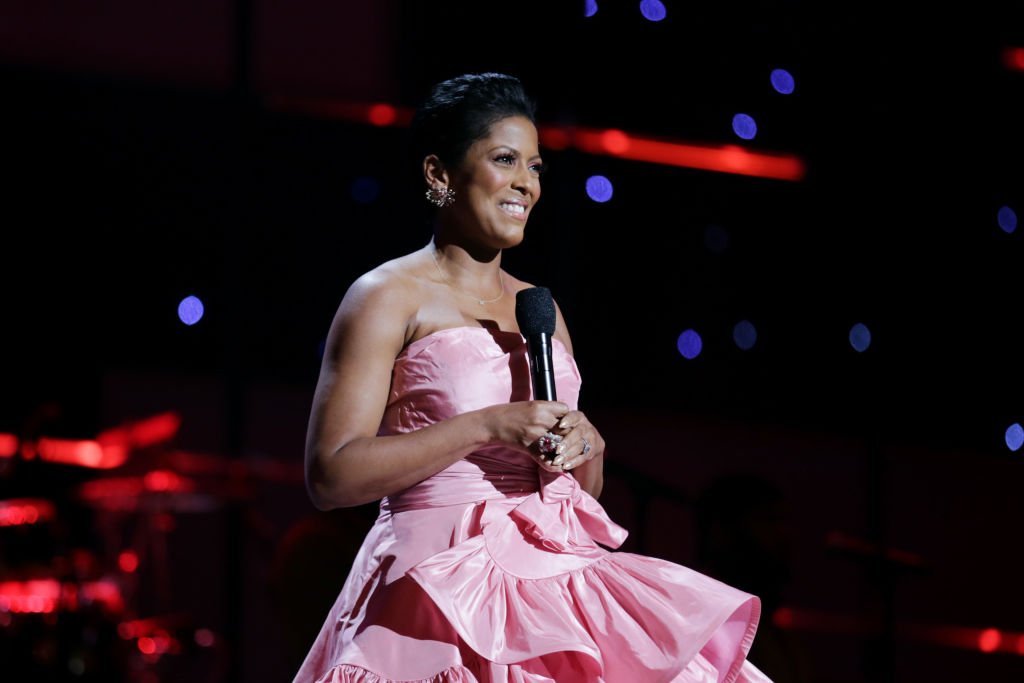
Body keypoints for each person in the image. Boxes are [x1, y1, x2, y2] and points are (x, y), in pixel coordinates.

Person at [292, 72, 772, 683]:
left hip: (550, 589)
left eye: (536, 166)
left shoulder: (540, 308)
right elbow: (331, 474)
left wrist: (584, 443)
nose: (527, 183)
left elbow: (578, 491)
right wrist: (489, 425)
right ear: (439, 175)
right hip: (433, 593)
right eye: (504, 160)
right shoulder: (387, 296)